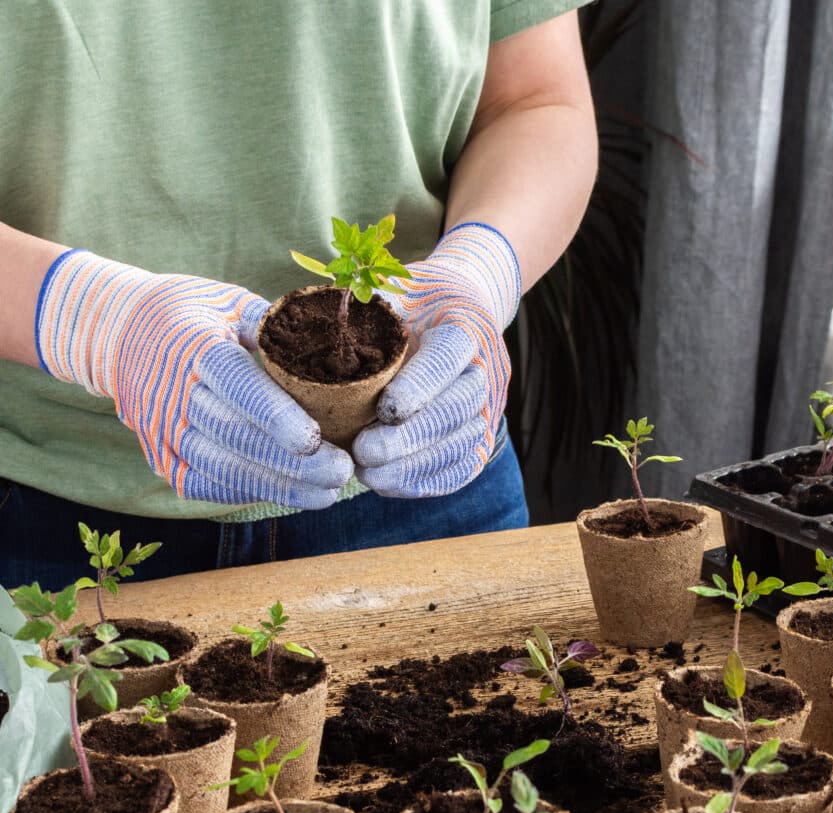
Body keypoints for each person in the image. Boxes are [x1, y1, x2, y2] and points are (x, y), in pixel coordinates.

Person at [0, 1, 598, 588]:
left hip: (424, 477)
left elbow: (534, 99)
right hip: (57, 514)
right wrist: (93, 321)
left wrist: (477, 270)